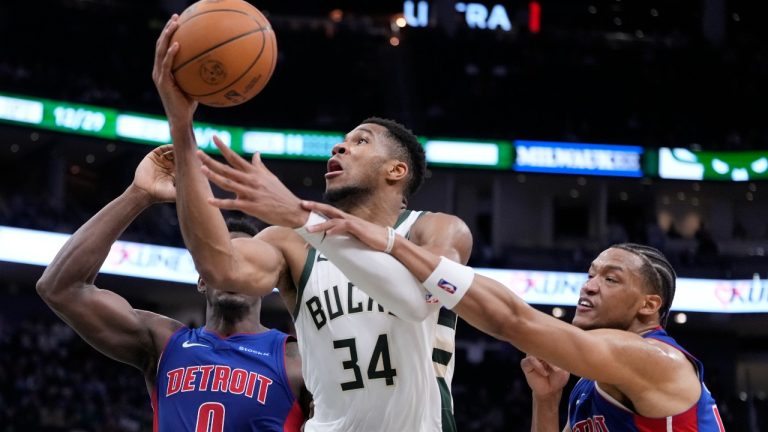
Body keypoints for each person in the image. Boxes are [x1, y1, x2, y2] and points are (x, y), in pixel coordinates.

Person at [152, 14, 472, 431]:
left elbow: (414, 301)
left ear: (396, 170)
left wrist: (304, 220)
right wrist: (182, 126)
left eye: (360, 140)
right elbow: (218, 265)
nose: (340, 146)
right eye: (343, 140)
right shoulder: (292, 243)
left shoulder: (436, 229)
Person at [297, 201, 726, 431]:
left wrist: (395, 244)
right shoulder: (590, 384)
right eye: (590, 274)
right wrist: (546, 400)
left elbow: (512, 321)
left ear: (649, 305)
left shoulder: (655, 359)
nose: (589, 286)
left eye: (610, 279)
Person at [36, 145, 308, 431]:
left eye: (244, 265)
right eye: (220, 263)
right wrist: (137, 195)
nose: (231, 275)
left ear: (265, 280)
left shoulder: (299, 360)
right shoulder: (163, 343)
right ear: (202, 279)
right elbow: (60, 288)